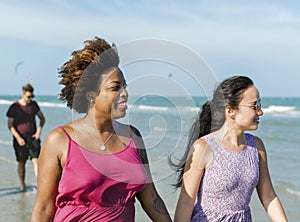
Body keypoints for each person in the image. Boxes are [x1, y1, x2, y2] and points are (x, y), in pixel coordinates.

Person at [30, 37, 171, 222]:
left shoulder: (133, 137)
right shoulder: (59, 140)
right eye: (115, 87)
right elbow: (43, 208)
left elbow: (151, 198)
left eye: (125, 86)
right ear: (91, 95)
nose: (125, 93)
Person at [171, 76, 287, 221]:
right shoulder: (204, 147)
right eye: (254, 106)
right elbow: (186, 202)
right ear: (231, 110)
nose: (260, 112)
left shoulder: (257, 147)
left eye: (260, 105)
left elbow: (268, 196)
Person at [6, 83, 45, 192]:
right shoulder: (15, 107)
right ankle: (22, 185)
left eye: (32, 96)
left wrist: (38, 132)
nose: (30, 99)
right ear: (23, 94)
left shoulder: (34, 105)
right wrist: (18, 138)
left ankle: (40, 185)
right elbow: (10, 125)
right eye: (29, 96)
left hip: (33, 139)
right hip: (20, 140)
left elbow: (42, 119)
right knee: (21, 162)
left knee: (36, 161)